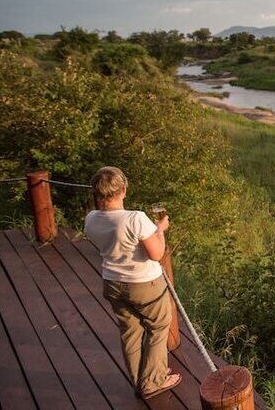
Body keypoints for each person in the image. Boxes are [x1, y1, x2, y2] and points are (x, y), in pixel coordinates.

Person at [84, 166, 182, 399]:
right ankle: (154, 381)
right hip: (143, 285)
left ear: (97, 193)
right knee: (158, 328)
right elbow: (156, 254)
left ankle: (141, 379)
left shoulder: (91, 219)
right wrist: (160, 230)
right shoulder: (135, 218)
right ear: (123, 190)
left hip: (112, 283)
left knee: (130, 332)